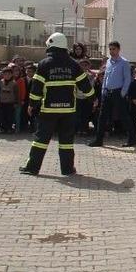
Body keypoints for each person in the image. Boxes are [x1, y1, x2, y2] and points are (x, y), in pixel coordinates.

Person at [19, 32, 95, 176]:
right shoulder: (74, 64)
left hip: (48, 110)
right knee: (66, 142)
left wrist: (32, 105)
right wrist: (93, 99)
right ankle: (67, 169)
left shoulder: (44, 64)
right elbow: (85, 85)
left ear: (51, 45)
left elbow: (36, 89)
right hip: (68, 111)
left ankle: (32, 168)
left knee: (41, 140)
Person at [89, 41, 135, 147]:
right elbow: (105, 77)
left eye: (113, 49)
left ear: (118, 49)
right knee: (102, 116)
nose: (111, 51)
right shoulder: (109, 62)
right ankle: (98, 140)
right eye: (110, 49)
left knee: (124, 116)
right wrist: (103, 90)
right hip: (107, 93)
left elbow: (127, 79)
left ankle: (132, 138)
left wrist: (123, 93)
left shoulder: (124, 62)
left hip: (118, 92)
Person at [74, 59, 95, 135]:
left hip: (87, 97)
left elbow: (92, 86)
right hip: (77, 97)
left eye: (85, 65)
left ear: (88, 66)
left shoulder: (91, 76)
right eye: (81, 65)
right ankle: (79, 129)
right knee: (78, 114)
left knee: (85, 114)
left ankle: (85, 129)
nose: (83, 67)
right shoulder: (75, 75)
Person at [0, 67, 19, 134]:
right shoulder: (0, 82)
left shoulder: (14, 83)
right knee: (2, 116)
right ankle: (3, 128)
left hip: (10, 103)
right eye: (5, 74)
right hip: (2, 102)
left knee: (10, 116)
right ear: (3, 75)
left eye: (9, 74)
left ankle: (9, 128)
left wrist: (16, 102)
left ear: (12, 75)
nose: (7, 76)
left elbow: (16, 93)